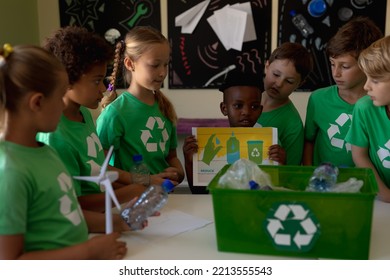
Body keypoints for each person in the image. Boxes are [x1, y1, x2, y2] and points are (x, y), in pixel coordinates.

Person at [0, 44, 127, 259]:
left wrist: (118, 221)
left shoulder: (45, 152)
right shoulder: (10, 172)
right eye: (59, 97)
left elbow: (65, 212)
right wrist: (88, 251)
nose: (62, 105)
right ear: (38, 102)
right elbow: (9, 264)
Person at [37, 26, 146, 212]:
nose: (104, 89)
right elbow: (71, 203)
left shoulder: (84, 114)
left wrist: (137, 189)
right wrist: (128, 193)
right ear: (66, 79)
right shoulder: (56, 136)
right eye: (97, 81)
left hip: (105, 214)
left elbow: (97, 171)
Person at [97, 26, 184, 187]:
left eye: (165, 65)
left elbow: (171, 157)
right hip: (132, 201)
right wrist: (146, 181)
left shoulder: (165, 108)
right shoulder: (115, 113)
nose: (162, 73)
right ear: (130, 64)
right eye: (154, 65)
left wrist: (178, 173)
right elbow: (100, 168)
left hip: (167, 198)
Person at [183, 69, 280, 194]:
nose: (246, 112)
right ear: (224, 108)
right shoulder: (212, 146)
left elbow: (272, 191)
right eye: (238, 106)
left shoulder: (270, 145)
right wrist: (190, 162)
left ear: (260, 110)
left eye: (254, 106)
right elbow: (199, 192)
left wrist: (281, 164)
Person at [303, 17, 383, 167]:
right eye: (332, 64)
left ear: (367, 64)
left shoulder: (379, 103)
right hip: (323, 184)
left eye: (345, 66)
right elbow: (309, 140)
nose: (335, 73)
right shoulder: (317, 99)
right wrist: (309, 173)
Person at [345, 35, 390, 202]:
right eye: (367, 77)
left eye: (376, 80)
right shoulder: (364, 108)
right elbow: (360, 155)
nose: (366, 86)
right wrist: (385, 194)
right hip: (379, 199)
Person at [256, 42, 313, 166]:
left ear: (300, 84)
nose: (279, 83)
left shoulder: (293, 124)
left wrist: (283, 161)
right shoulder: (246, 99)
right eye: (276, 74)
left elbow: (291, 172)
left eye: (289, 81)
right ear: (267, 66)